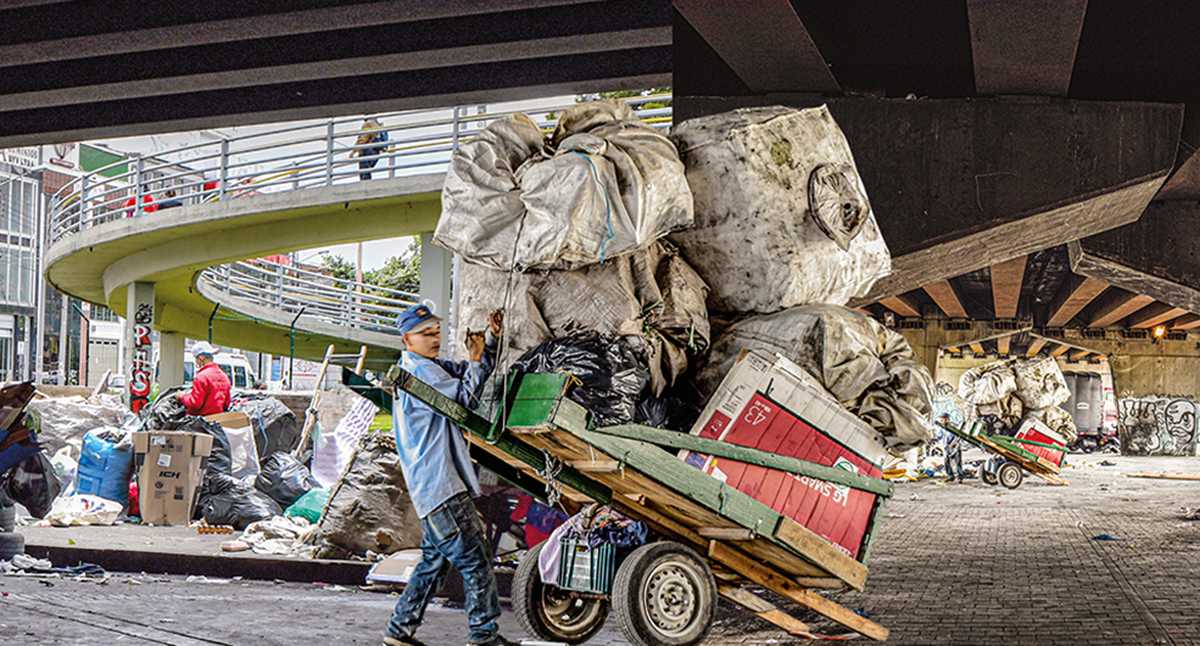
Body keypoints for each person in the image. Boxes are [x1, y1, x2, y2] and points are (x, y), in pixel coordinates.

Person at [384, 303, 514, 646]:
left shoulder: (427, 367)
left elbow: (464, 372)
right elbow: (465, 399)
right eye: (425, 335)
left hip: (430, 487)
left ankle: (399, 631)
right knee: (477, 561)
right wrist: (475, 359)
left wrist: (489, 341)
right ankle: (483, 636)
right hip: (442, 485)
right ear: (406, 339)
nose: (434, 339)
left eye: (437, 333)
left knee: (433, 563)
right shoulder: (420, 374)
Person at [176, 342, 231, 416]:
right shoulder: (224, 376)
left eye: (196, 358)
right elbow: (226, 404)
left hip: (201, 423)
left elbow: (195, 404)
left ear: (201, 357)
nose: (196, 361)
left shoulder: (201, 377)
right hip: (218, 421)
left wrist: (182, 397)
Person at [939, 413, 964, 483]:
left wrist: (953, 443)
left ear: (947, 419)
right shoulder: (942, 428)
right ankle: (950, 476)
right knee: (946, 462)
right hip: (946, 447)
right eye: (941, 420)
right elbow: (939, 436)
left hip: (955, 447)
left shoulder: (953, 426)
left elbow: (958, 436)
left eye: (943, 419)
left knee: (958, 462)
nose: (941, 421)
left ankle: (960, 477)